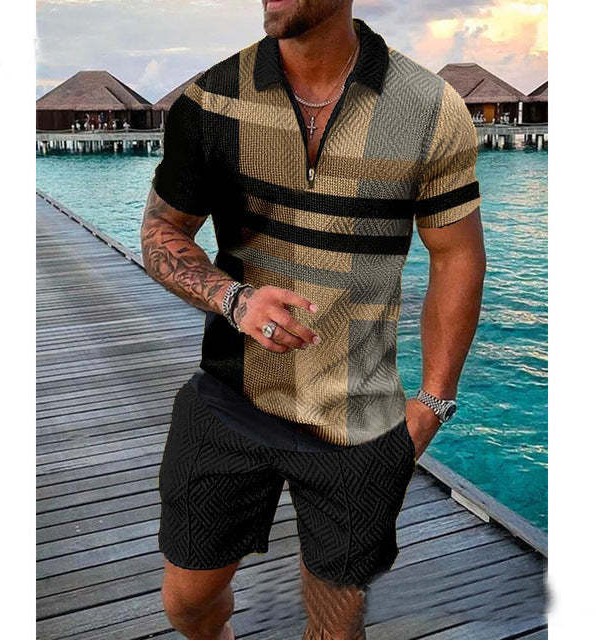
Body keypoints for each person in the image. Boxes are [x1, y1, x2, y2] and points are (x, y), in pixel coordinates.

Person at [140, 2, 485, 639]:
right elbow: (162, 232)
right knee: (187, 603)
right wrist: (234, 300)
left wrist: (435, 399)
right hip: (229, 398)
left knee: (335, 624)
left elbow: (456, 254)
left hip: (360, 416)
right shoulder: (210, 100)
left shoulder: (430, 107)